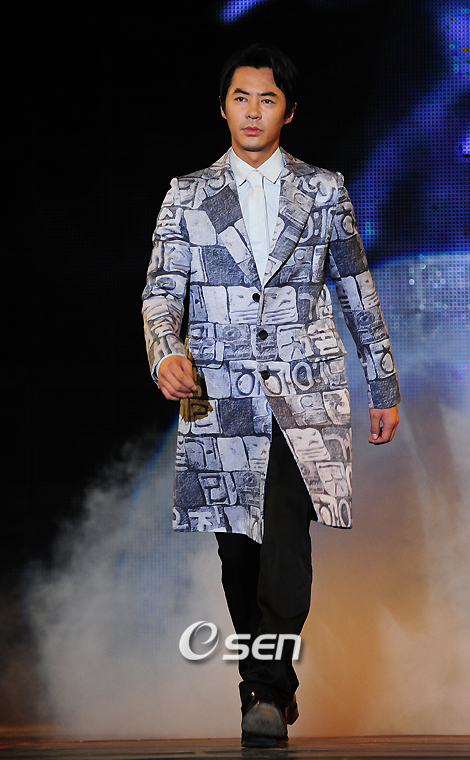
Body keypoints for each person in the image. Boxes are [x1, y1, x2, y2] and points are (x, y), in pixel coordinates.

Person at [142, 43, 400, 747]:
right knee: (240, 553)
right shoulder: (187, 193)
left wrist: (381, 382)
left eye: (268, 99)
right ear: (223, 108)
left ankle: (265, 692)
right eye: (241, 98)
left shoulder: (323, 190)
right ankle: (265, 681)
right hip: (219, 393)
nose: (253, 111)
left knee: (285, 535)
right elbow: (161, 291)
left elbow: (355, 288)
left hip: (304, 390)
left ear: (288, 112)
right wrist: (167, 352)